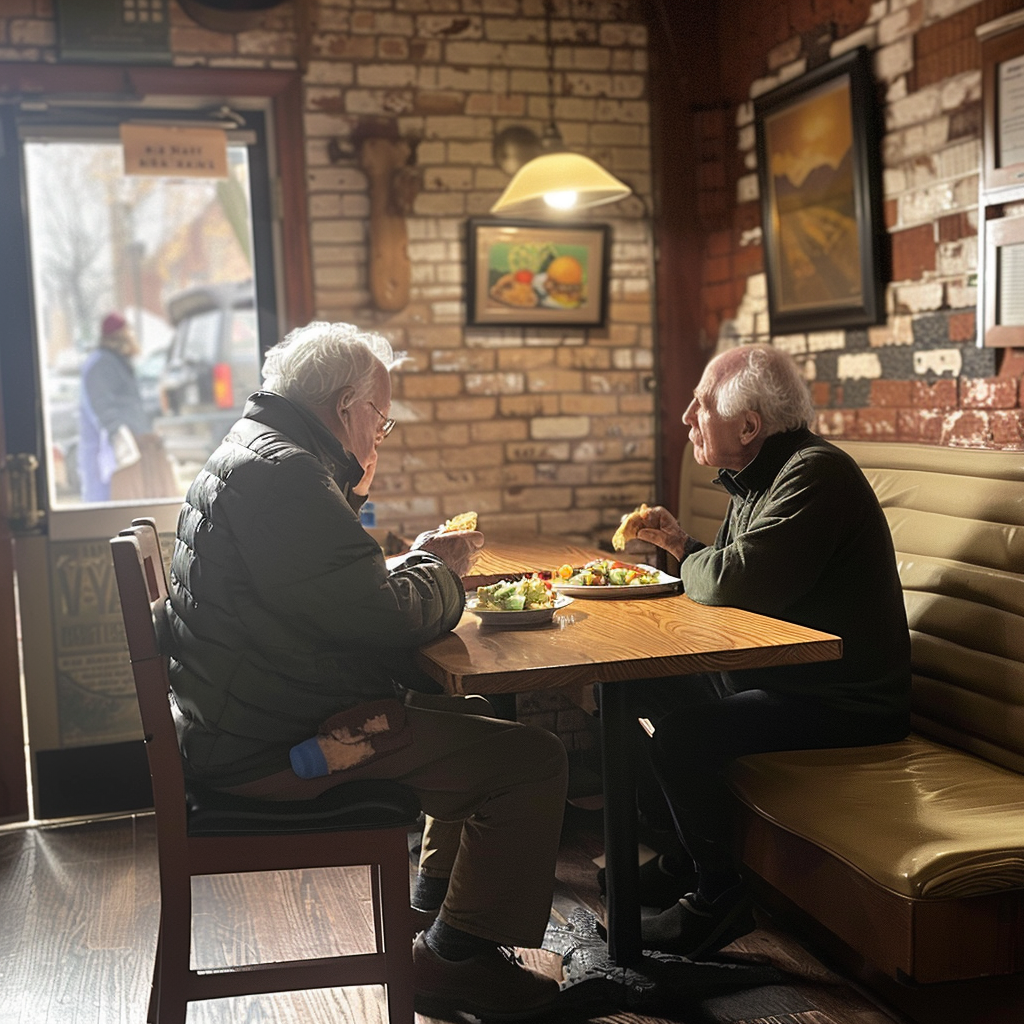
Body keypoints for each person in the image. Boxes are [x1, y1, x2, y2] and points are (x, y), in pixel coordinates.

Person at [164, 320, 568, 1020]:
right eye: (379, 418)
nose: (382, 433)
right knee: (532, 760)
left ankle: (436, 913)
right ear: (345, 406)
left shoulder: (255, 452)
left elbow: (318, 584)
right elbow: (383, 618)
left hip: (243, 716)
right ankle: (454, 963)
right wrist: (441, 568)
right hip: (276, 747)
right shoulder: (284, 472)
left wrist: (362, 500)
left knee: (473, 719)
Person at [627, 343, 911, 959]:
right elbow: (742, 578)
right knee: (628, 692)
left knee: (681, 738)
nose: (686, 417)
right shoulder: (757, 481)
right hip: (788, 681)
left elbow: (733, 582)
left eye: (701, 405)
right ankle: (681, 859)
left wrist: (693, 557)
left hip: (847, 700)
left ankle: (717, 899)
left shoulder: (816, 473)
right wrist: (684, 544)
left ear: (750, 425)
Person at [78, 311, 176, 502]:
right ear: (120, 335)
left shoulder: (116, 361)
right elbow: (102, 406)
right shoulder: (101, 363)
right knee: (111, 504)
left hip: (134, 444)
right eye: (128, 331)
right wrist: (120, 436)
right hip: (114, 451)